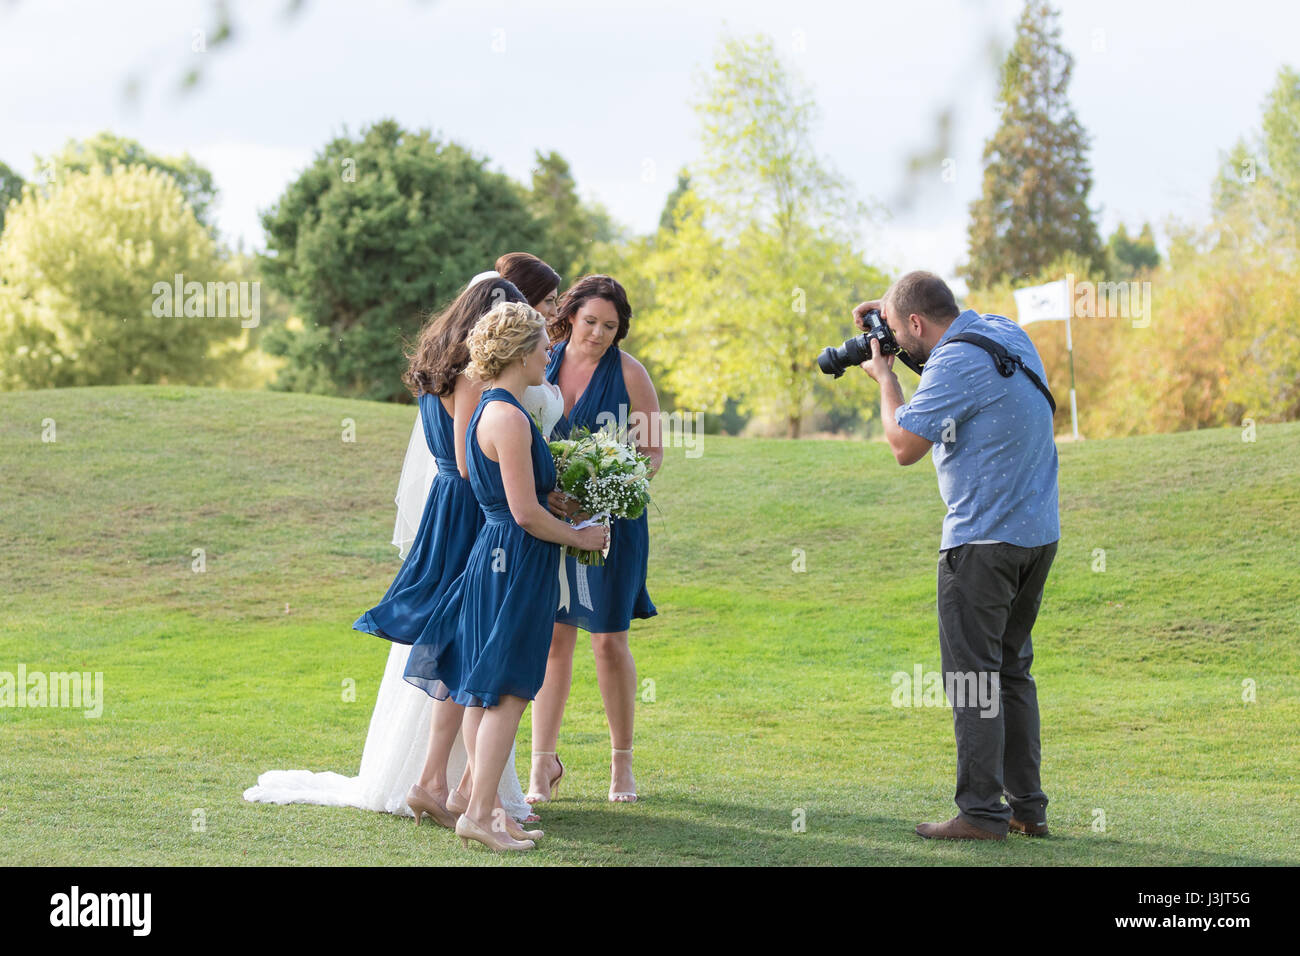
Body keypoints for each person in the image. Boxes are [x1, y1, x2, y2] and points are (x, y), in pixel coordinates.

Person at [241, 276, 546, 827]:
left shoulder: (439, 362)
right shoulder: (476, 378)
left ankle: (446, 783)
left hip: (444, 506)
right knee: (463, 650)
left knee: (456, 644)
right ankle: (440, 783)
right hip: (469, 512)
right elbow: (471, 458)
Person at [855, 270, 1060, 841]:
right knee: (1012, 671)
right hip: (1036, 538)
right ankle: (1027, 808)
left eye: (897, 330)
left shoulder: (950, 365)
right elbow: (949, 348)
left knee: (973, 680)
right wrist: (892, 314)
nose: (892, 340)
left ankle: (980, 813)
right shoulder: (1005, 332)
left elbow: (904, 446)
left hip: (982, 545)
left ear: (916, 324)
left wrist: (884, 377)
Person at [404, 302, 607, 852]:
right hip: (514, 559)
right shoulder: (509, 417)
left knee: (488, 689)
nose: (550, 353)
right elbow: (523, 514)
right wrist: (581, 536)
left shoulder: (494, 408)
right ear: (520, 352)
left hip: (502, 556)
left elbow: (518, 496)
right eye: (543, 344)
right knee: (508, 691)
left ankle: (484, 811)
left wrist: (557, 501)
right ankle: (477, 815)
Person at [526, 275, 663, 806]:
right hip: (550, 520)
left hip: (614, 527)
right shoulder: (541, 361)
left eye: (611, 325)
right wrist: (552, 497)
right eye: (591, 322)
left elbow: (652, 453)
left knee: (608, 639)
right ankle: (542, 765)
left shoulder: (631, 374)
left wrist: (615, 487)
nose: (600, 333)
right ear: (570, 316)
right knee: (554, 640)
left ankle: (621, 764)